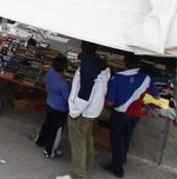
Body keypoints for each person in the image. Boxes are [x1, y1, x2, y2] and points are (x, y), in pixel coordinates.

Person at [103, 55, 156, 178]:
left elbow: (110, 102)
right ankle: (122, 159)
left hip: (119, 114)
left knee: (117, 141)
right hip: (135, 115)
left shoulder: (117, 78)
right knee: (127, 137)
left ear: (124, 63)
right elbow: (156, 96)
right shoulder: (146, 78)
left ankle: (117, 169)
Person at [67, 42, 110, 179]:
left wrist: (73, 112)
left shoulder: (87, 69)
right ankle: (87, 165)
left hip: (83, 112)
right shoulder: (102, 64)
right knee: (87, 138)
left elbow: (84, 96)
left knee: (78, 143)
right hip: (94, 110)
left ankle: (78, 175)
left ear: (82, 49)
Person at [36, 54, 71, 159]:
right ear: (64, 68)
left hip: (49, 103)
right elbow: (67, 97)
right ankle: (49, 151)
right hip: (60, 109)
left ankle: (40, 141)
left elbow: (46, 83)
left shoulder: (50, 73)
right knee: (55, 130)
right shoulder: (64, 84)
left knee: (47, 123)